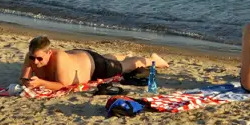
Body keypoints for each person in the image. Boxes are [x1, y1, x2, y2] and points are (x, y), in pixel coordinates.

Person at [20, 36, 167, 91]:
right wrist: (27, 81)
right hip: (80, 57)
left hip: (95, 66)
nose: (35, 62)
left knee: (125, 66)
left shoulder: (59, 58)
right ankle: (123, 56)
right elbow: (24, 79)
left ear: (49, 53)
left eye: (39, 59)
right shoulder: (30, 57)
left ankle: (153, 60)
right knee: (109, 59)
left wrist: (40, 83)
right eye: (33, 58)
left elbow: (62, 85)